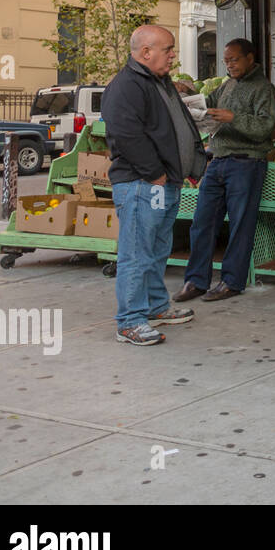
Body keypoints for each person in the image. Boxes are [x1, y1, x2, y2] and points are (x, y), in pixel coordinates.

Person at [102, 25, 207, 346]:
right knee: (136, 252)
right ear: (146, 52)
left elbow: (175, 126)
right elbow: (126, 135)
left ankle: (156, 306)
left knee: (157, 248)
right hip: (141, 185)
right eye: (168, 49)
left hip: (163, 184)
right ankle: (130, 321)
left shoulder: (158, 82)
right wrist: (155, 174)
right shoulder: (126, 86)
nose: (173, 55)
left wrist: (192, 165)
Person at [173, 39, 275, 303]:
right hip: (218, 160)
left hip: (247, 163)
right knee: (202, 223)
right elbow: (206, 106)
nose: (230, 65)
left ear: (250, 58)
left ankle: (232, 281)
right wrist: (188, 97)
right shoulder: (227, 85)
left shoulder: (264, 88)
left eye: (234, 59)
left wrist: (234, 118)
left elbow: (266, 128)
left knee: (241, 224)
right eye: (226, 60)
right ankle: (196, 281)